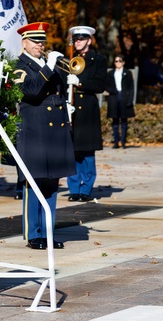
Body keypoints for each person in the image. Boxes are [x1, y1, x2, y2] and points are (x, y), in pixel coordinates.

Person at [12, 22, 76, 250]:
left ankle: (47, 231)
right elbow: (32, 91)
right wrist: (49, 67)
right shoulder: (19, 66)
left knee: (51, 183)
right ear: (24, 43)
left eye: (42, 42)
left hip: (54, 131)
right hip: (35, 131)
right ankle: (33, 234)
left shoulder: (51, 66)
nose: (40, 45)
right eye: (36, 41)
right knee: (34, 182)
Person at [65, 25, 106, 202]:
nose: (78, 42)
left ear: (89, 40)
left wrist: (80, 83)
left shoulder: (98, 60)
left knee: (87, 151)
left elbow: (99, 85)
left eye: (81, 39)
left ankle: (86, 188)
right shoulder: (69, 59)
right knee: (72, 150)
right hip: (71, 106)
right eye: (76, 39)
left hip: (87, 106)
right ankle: (74, 188)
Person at [105, 53, 135, 148]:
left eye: (120, 61)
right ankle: (116, 142)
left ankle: (123, 141)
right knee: (115, 120)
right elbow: (106, 85)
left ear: (123, 62)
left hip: (124, 97)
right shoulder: (110, 73)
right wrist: (112, 91)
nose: (118, 63)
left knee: (124, 121)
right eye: (116, 61)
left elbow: (131, 88)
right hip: (114, 96)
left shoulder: (128, 73)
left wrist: (130, 100)